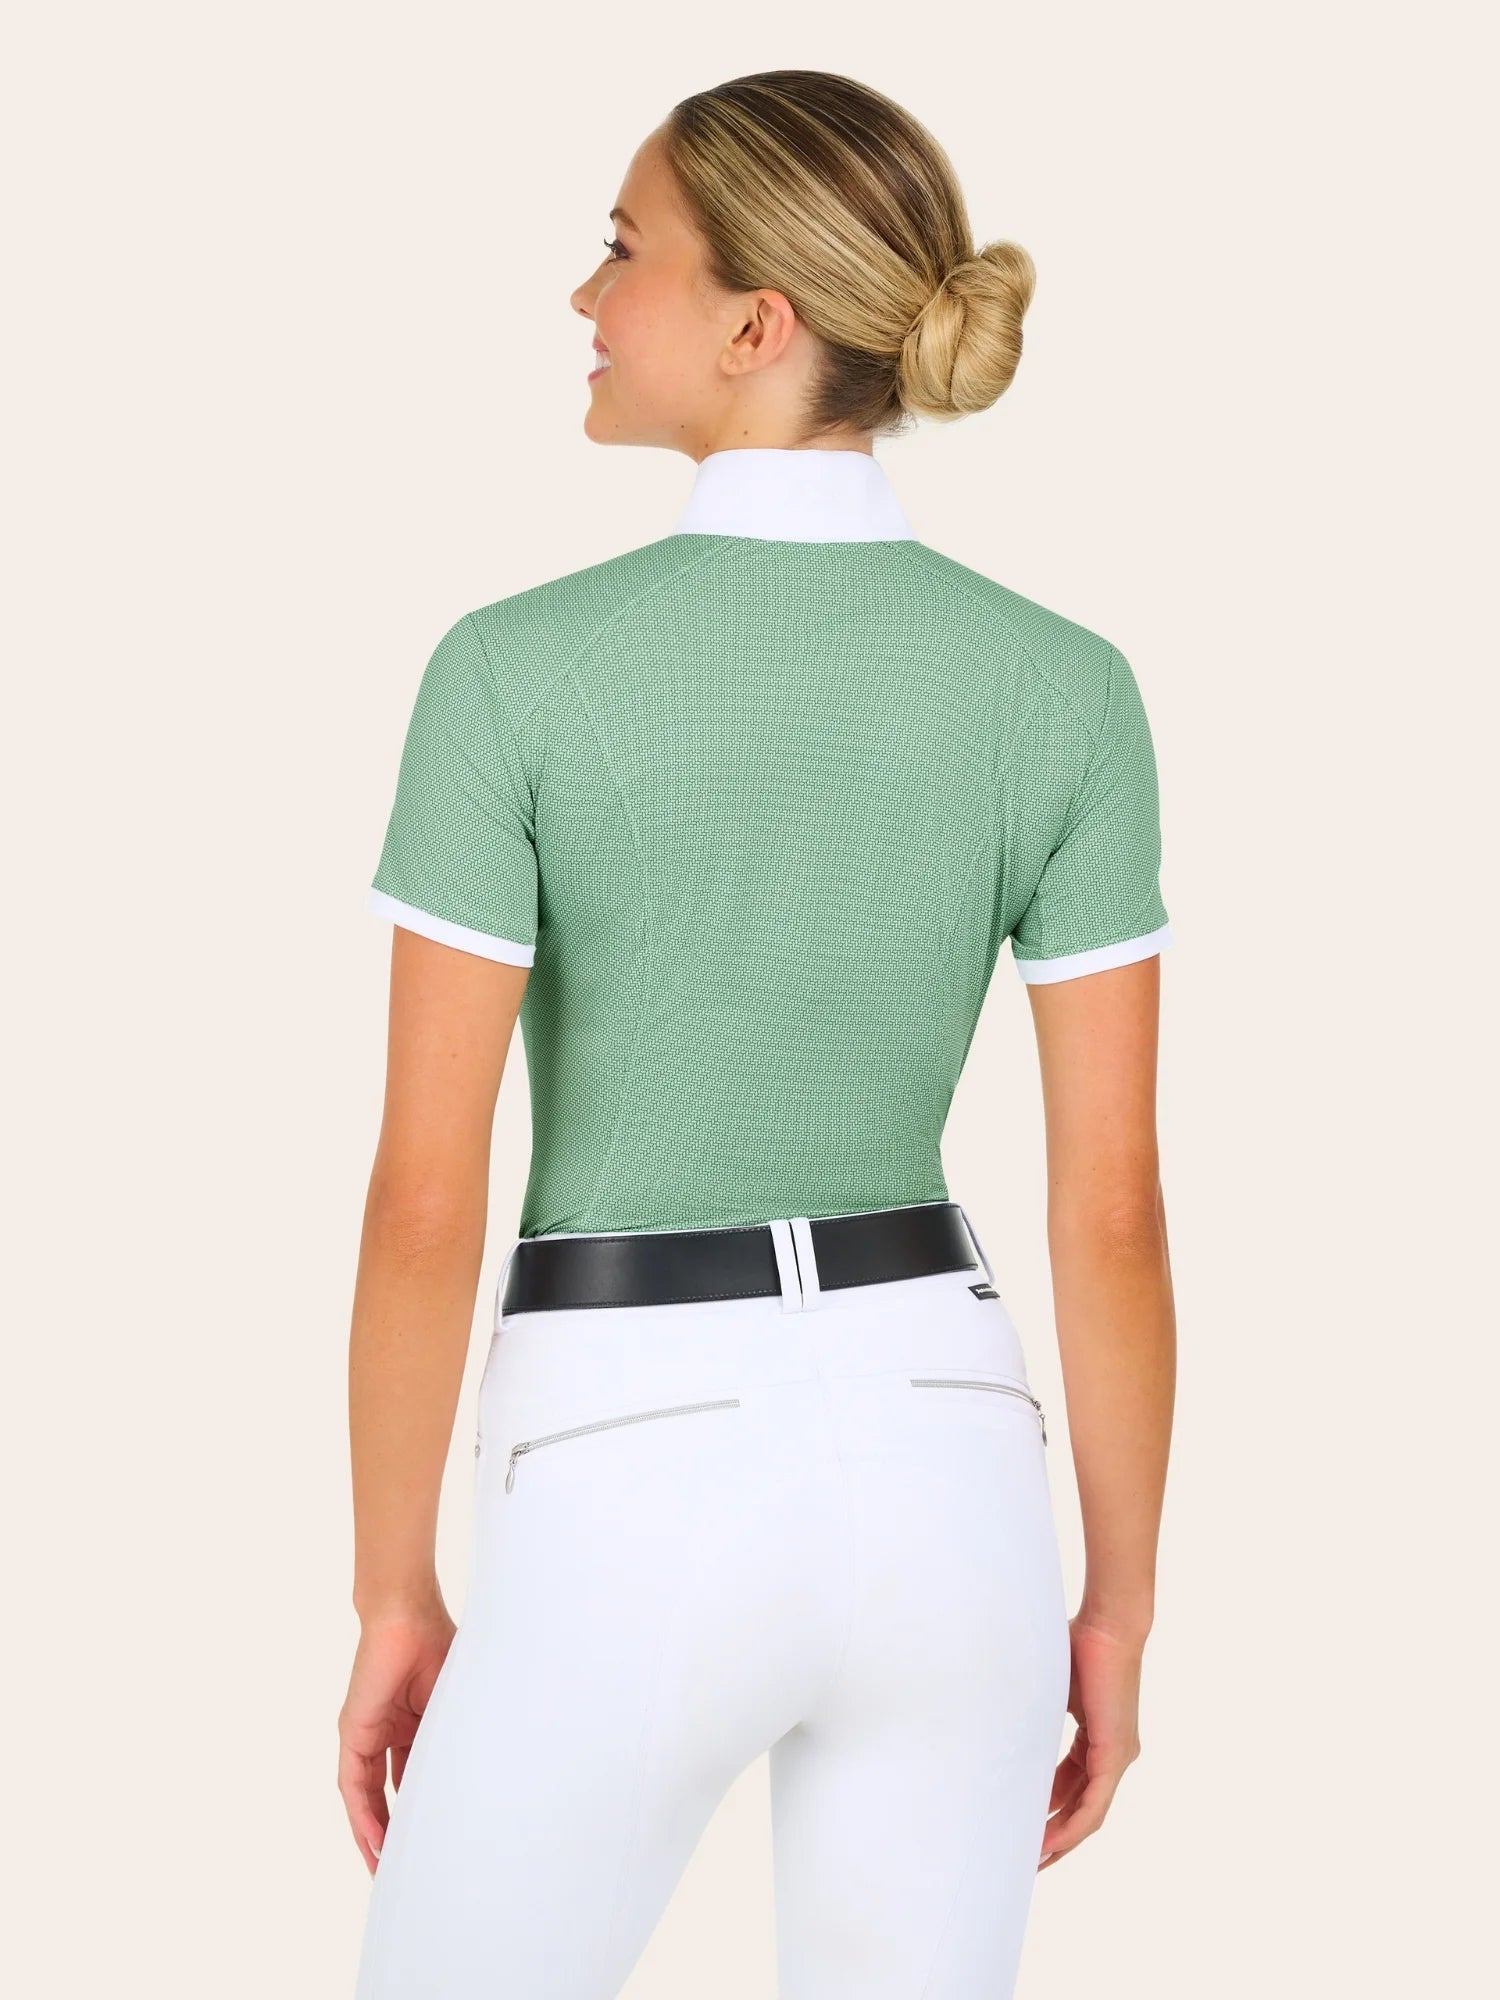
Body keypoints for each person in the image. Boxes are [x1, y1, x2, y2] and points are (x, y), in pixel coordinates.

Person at [340, 67, 1176, 2000]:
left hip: (625, 1456)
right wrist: (1117, 1611)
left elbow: (421, 1202)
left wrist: (393, 1590)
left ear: (756, 326)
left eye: (622, 248)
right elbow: (1113, 1210)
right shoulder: (1065, 686)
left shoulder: (513, 672)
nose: (585, 295)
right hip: (955, 1464)